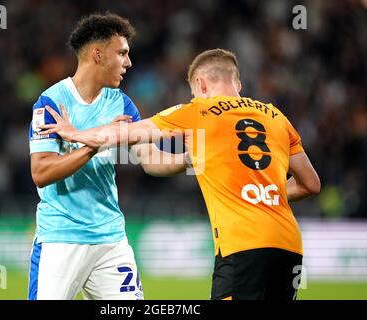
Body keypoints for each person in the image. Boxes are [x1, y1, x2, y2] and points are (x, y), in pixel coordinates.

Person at [39, 48, 321, 300]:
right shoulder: (276, 116)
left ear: (200, 84)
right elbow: (311, 184)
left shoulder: (199, 111)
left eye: (193, 92)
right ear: (237, 83)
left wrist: (75, 133)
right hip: (289, 246)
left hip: (243, 246)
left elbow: (126, 133)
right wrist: (266, 195)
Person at [28, 12, 186, 300]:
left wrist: (191, 160)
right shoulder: (51, 102)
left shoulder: (121, 103)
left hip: (110, 239)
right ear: (98, 55)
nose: (129, 63)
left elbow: (150, 159)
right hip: (61, 239)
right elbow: (41, 173)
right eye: (122, 53)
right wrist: (99, 141)